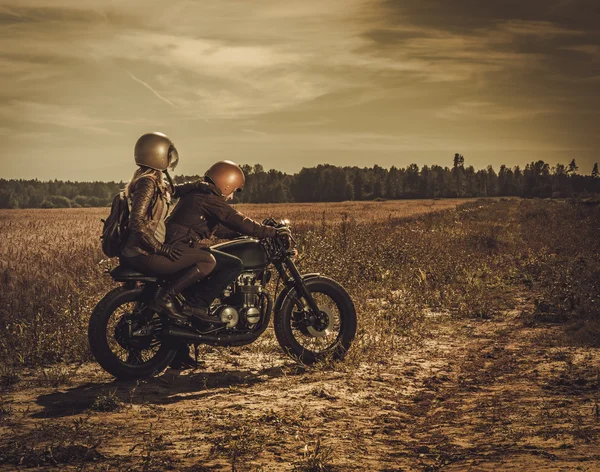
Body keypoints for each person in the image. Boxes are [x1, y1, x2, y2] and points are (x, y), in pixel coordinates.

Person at [119, 132, 218, 322]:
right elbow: (136, 222)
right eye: (168, 154)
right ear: (159, 154)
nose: (171, 159)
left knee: (195, 254)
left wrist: (198, 185)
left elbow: (173, 191)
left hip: (139, 251)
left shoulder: (151, 181)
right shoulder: (148, 183)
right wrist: (160, 248)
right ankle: (166, 298)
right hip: (144, 253)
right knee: (208, 260)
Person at [165, 160, 286, 311]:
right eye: (233, 190)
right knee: (234, 265)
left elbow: (218, 229)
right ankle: (197, 305)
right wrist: (271, 232)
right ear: (226, 184)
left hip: (179, 242)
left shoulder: (199, 193)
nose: (231, 196)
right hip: (181, 245)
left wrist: (238, 235)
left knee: (220, 259)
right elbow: (236, 219)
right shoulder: (209, 198)